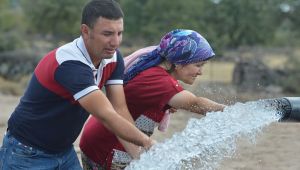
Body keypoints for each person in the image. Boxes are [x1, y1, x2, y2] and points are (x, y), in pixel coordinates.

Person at [0, 0, 155, 169]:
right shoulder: (69, 63)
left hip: (64, 152)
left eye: (119, 33)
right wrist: (148, 143)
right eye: (107, 34)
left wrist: (141, 158)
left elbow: (120, 109)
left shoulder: (113, 57)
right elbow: (107, 115)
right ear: (85, 31)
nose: (116, 42)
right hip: (26, 153)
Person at [79, 29, 226, 169]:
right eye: (198, 65)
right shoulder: (160, 81)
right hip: (109, 148)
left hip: (101, 139)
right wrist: (232, 112)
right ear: (179, 62)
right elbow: (195, 103)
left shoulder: (154, 68)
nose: (200, 72)